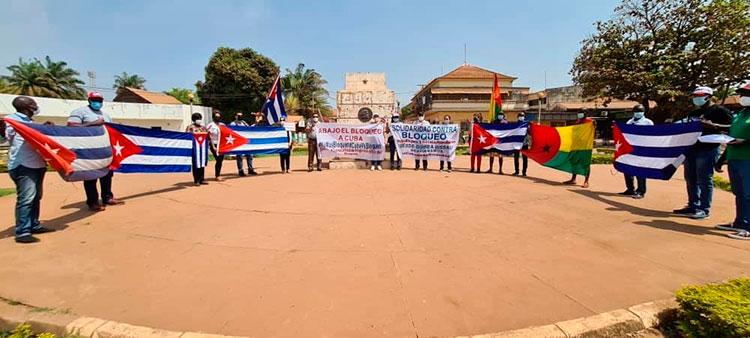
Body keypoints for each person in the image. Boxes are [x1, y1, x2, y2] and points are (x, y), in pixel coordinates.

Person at [672, 86, 733, 220]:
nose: (696, 98)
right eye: (694, 96)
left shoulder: (720, 111)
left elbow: (731, 128)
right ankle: (693, 204)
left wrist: (714, 126)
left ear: (709, 97)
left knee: (704, 179)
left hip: (708, 149)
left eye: (700, 96)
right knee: (691, 178)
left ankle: (704, 208)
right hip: (692, 148)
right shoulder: (694, 113)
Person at [5, 96, 55, 243]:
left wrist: (43, 127)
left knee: (36, 197)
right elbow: (7, 136)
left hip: (37, 164)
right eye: (33, 104)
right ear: (28, 107)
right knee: (26, 199)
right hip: (23, 165)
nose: (36, 106)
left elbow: (31, 134)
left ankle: (34, 224)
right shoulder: (11, 120)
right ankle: (22, 231)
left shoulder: (28, 122)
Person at [67, 92, 124, 211]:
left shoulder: (105, 114)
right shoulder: (80, 112)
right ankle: (92, 202)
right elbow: (71, 126)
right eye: (95, 99)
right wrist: (92, 124)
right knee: (91, 176)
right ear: (89, 100)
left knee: (107, 175)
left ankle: (107, 197)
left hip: (104, 149)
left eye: (99, 100)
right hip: (89, 150)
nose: (97, 102)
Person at [717, 83, 750, 239]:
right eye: (742, 93)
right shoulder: (741, 114)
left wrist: (745, 142)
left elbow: (742, 139)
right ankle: (740, 222)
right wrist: (721, 160)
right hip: (734, 158)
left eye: (746, 94)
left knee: (749, 194)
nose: (743, 97)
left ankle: (748, 227)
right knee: (740, 193)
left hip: (748, 159)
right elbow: (731, 136)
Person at [618, 105, 654, 199]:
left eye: (640, 111)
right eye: (636, 111)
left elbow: (652, 136)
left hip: (642, 149)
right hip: (630, 149)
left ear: (643, 112)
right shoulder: (629, 122)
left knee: (640, 171)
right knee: (627, 169)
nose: (638, 113)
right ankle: (630, 189)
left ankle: (641, 191)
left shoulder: (648, 122)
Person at [562, 109, 595, 188]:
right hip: (576, 145)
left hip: (585, 146)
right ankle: (573, 179)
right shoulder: (577, 122)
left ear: (585, 114)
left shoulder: (590, 121)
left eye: (581, 113)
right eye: (578, 113)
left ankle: (586, 181)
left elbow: (593, 130)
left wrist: (594, 124)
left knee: (585, 163)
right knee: (574, 162)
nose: (579, 114)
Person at [230, 112, 257, 177]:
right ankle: (240, 170)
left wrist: (255, 123)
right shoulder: (233, 123)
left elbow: (249, 128)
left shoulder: (244, 122)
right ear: (236, 116)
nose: (240, 117)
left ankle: (250, 169)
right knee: (239, 156)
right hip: (238, 142)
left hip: (245, 141)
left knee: (249, 155)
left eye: (241, 115)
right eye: (239, 115)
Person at [186, 113, 209, 186]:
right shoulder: (190, 127)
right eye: (197, 118)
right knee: (196, 164)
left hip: (202, 148)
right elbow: (187, 137)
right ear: (194, 119)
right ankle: (196, 180)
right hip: (195, 149)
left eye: (200, 118)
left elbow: (207, 136)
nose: (199, 120)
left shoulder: (203, 127)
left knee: (202, 163)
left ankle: (202, 178)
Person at [206, 111, 225, 181]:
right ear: (213, 117)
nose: (218, 118)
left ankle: (218, 174)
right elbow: (209, 136)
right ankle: (217, 175)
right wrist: (213, 146)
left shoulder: (222, 125)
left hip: (221, 144)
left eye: (219, 117)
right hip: (214, 143)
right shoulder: (210, 125)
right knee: (219, 159)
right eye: (216, 117)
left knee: (220, 160)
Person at [513, 112, 529, 177]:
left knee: (525, 159)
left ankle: (524, 172)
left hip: (524, 143)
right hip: (516, 143)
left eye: (522, 116)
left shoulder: (527, 124)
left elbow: (530, 132)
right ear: (518, 117)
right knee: (516, 157)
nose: (521, 117)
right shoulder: (515, 125)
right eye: (520, 116)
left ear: (524, 117)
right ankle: (516, 171)